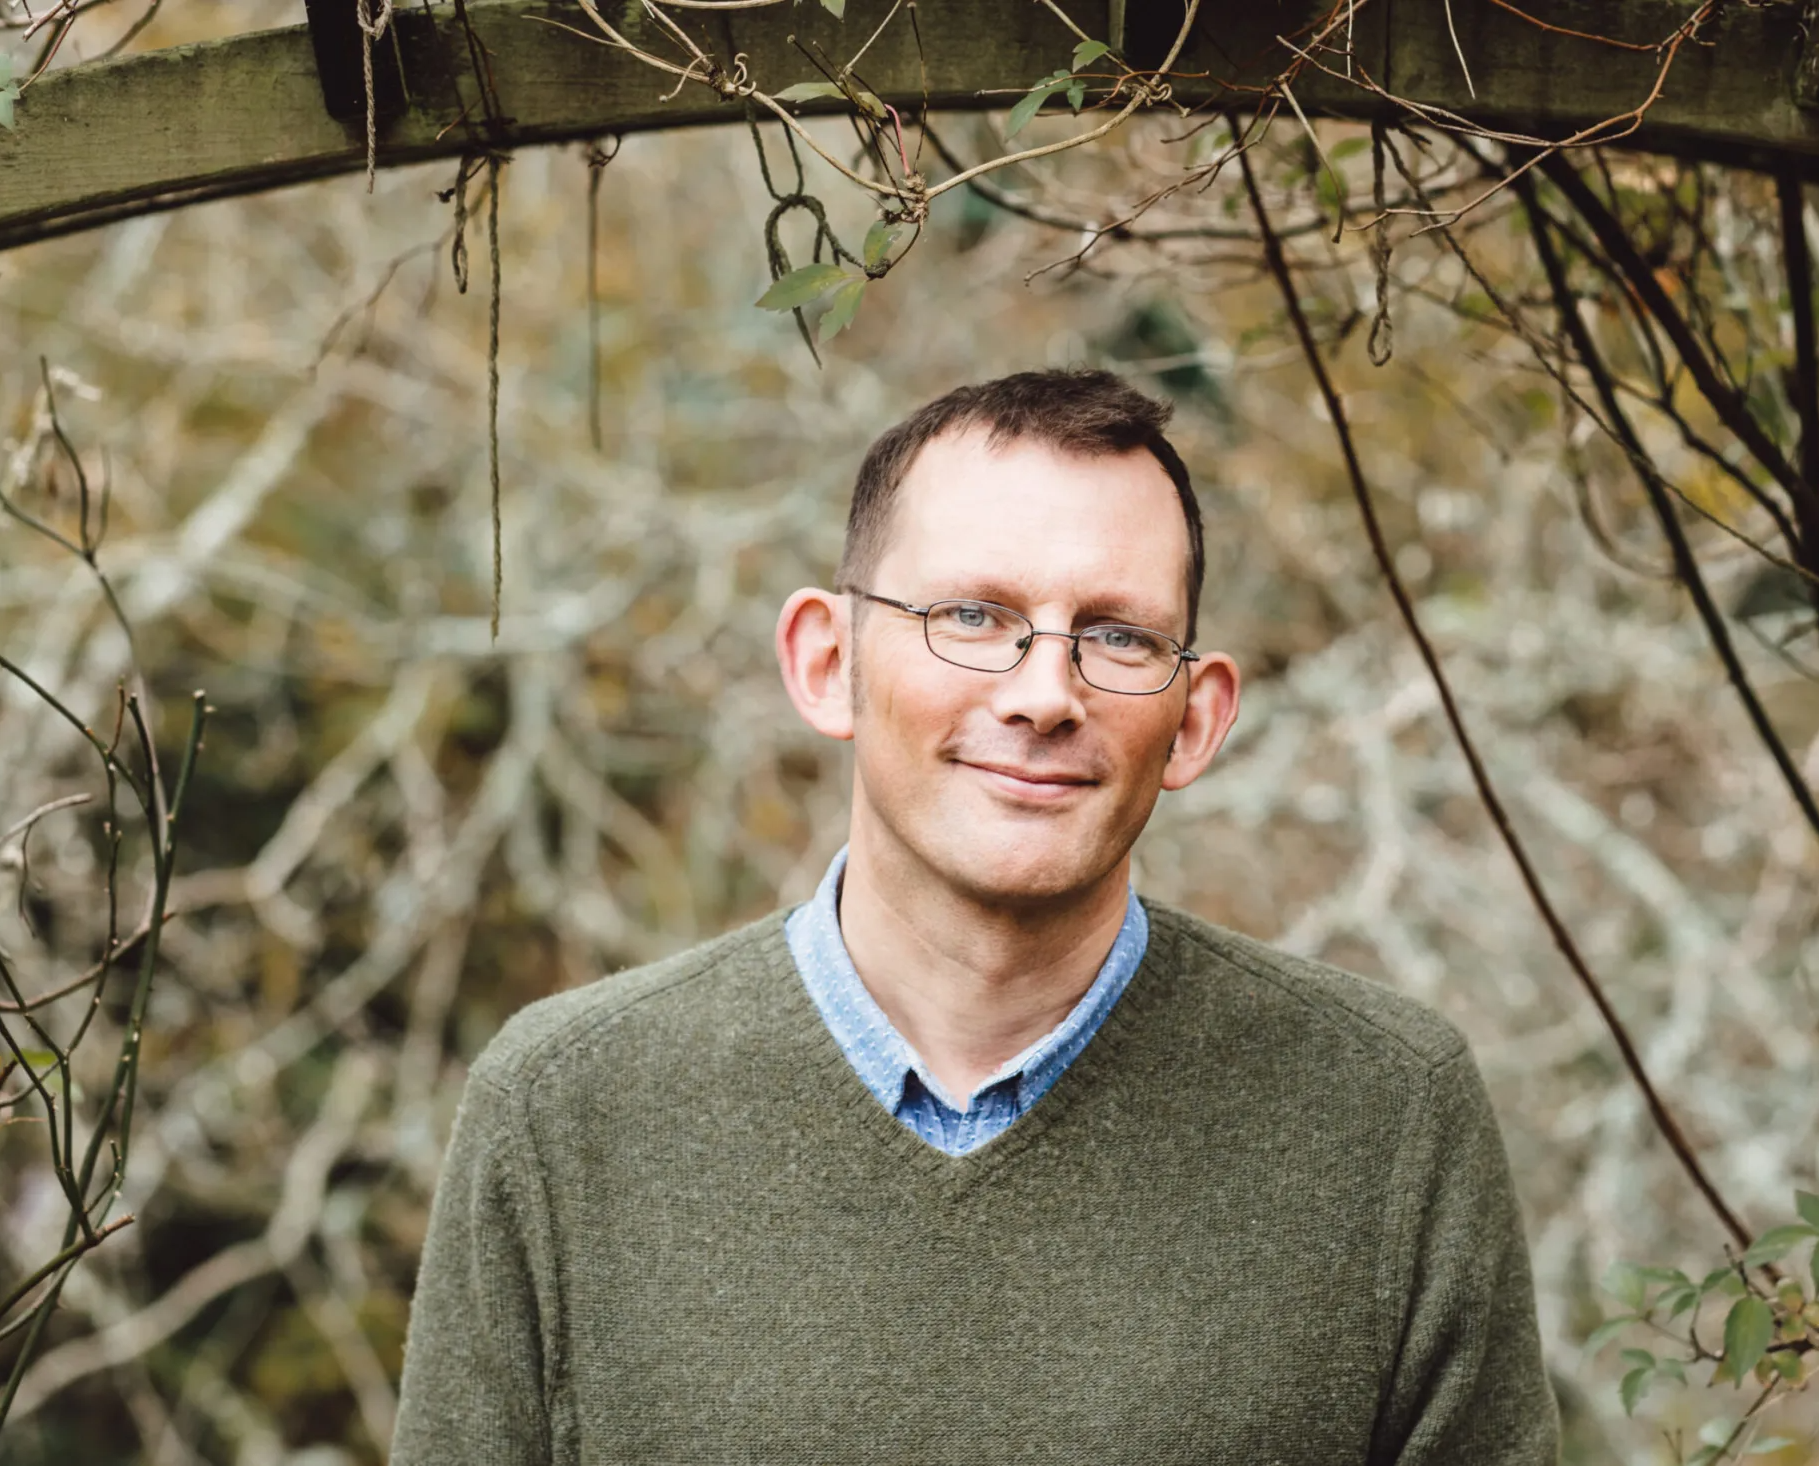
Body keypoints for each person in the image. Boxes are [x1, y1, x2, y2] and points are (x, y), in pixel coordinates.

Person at [393, 369, 1559, 1465]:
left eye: (1116, 634)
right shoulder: (563, 1111)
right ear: (826, 660)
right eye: (971, 614)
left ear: (1196, 719)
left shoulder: (1385, 1113)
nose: (1045, 694)